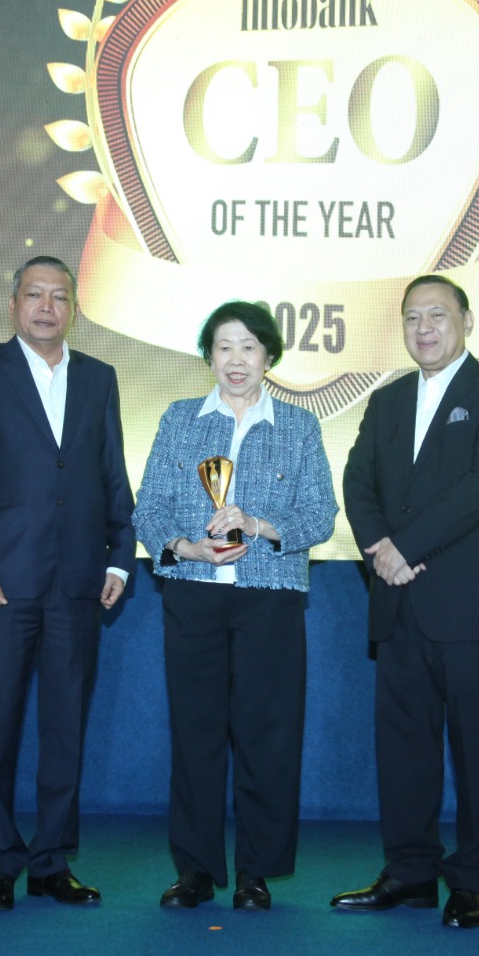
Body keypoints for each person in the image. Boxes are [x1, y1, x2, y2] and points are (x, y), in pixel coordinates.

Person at [0, 255, 136, 911]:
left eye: (59, 297)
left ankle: (51, 862)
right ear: (13, 304)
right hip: (0, 585)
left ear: (74, 308)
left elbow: (111, 474)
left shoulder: (99, 378)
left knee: (65, 727)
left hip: (77, 582)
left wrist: (119, 557)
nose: (47, 307)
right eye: (34, 295)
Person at [331, 274, 479, 929]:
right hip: (397, 602)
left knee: (475, 751)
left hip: (469, 606)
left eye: (438, 315)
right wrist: (377, 551)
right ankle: (410, 873)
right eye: (413, 317)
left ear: (466, 321)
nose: (424, 328)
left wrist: (403, 548)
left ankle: (472, 879)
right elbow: (358, 480)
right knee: (403, 748)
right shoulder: (386, 401)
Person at [132, 300, 338, 912]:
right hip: (194, 594)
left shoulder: (299, 426)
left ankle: (256, 871)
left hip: (269, 599)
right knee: (194, 736)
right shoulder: (180, 419)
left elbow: (321, 514)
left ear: (269, 355)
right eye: (224, 346)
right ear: (209, 357)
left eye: (249, 346)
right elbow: (149, 506)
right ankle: (194, 870)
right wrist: (185, 546)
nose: (237, 359)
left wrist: (259, 525)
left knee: (267, 737)